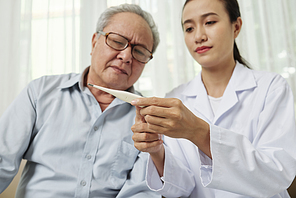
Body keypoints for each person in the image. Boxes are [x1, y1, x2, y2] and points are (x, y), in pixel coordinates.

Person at [131, 0, 296, 197]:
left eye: (209, 22)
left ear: (236, 27)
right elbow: (182, 189)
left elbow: (277, 175)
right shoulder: (175, 99)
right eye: (189, 28)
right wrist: (156, 151)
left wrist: (198, 132)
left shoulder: (271, 88)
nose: (199, 36)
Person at [0, 4, 161, 198]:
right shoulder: (41, 92)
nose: (126, 56)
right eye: (118, 42)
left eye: (140, 52)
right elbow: (2, 160)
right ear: (94, 42)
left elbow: (141, 191)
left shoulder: (149, 118)